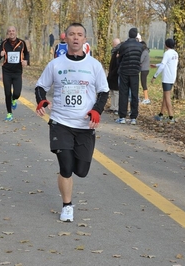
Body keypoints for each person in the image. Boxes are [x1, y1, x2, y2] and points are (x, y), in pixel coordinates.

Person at [35, 22, 109, 222]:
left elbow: (103, 91)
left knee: (81, 171)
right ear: (65, 38)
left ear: (85, 40)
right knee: (66, 167)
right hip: (60, 122)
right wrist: (41, 100)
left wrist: (96, 110)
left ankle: (69, 186)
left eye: (79, 35)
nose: (75, 38)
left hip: (84, 126)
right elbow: (40, 87)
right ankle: (67, 206)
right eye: (72, 34)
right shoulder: (56, 64)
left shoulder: (93, 65)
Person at [0, 26, 29, 121]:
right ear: (7, 33)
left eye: (13, 31)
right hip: (6, 71)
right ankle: (9, 113)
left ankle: (14, 99)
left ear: (16, 32)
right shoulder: (4, 43)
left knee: (17, 93)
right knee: (7, 93)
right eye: (9, 31)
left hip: (18, 71)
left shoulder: (22, 43)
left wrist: (26, 61)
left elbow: (26, 53)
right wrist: (0, 54)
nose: (11, 32)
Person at [115, 27, 143, 125]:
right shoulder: (140, 46)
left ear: (128, 34)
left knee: (123, 94)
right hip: (135, 72)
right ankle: (133, 117)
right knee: (134, 94)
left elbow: (120, 58)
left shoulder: (124, 45)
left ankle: (122, 116)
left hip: (124, 71)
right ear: (136, 35)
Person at [151, 38, 179, 123]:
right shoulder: (175, 53)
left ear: (167, 45)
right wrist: (156, 65)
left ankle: (171, 116)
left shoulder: (167, 53)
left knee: (167, 97)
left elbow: (163, 65)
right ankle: (161, 114)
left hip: (166, 77)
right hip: (172, 77)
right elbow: (167, 64)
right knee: (165, 95)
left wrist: (154, 76)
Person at [107, 38, 121, 115]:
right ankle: (113, 106)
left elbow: (117, 65)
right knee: (112, 91)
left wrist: (112, 73)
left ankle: (115, 107)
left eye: (113, 43)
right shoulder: (114, 52)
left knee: (115, 92)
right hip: (112, 74)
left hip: (115, 74)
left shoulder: (118, 52)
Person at [140, 40, 151, 105]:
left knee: (144, 84)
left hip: (144, 70)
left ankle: (146, 98)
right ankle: (146, 98)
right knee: (143, 83)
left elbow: (140, 60)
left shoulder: (144, 52)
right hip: (145, 69)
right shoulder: (146, 52)